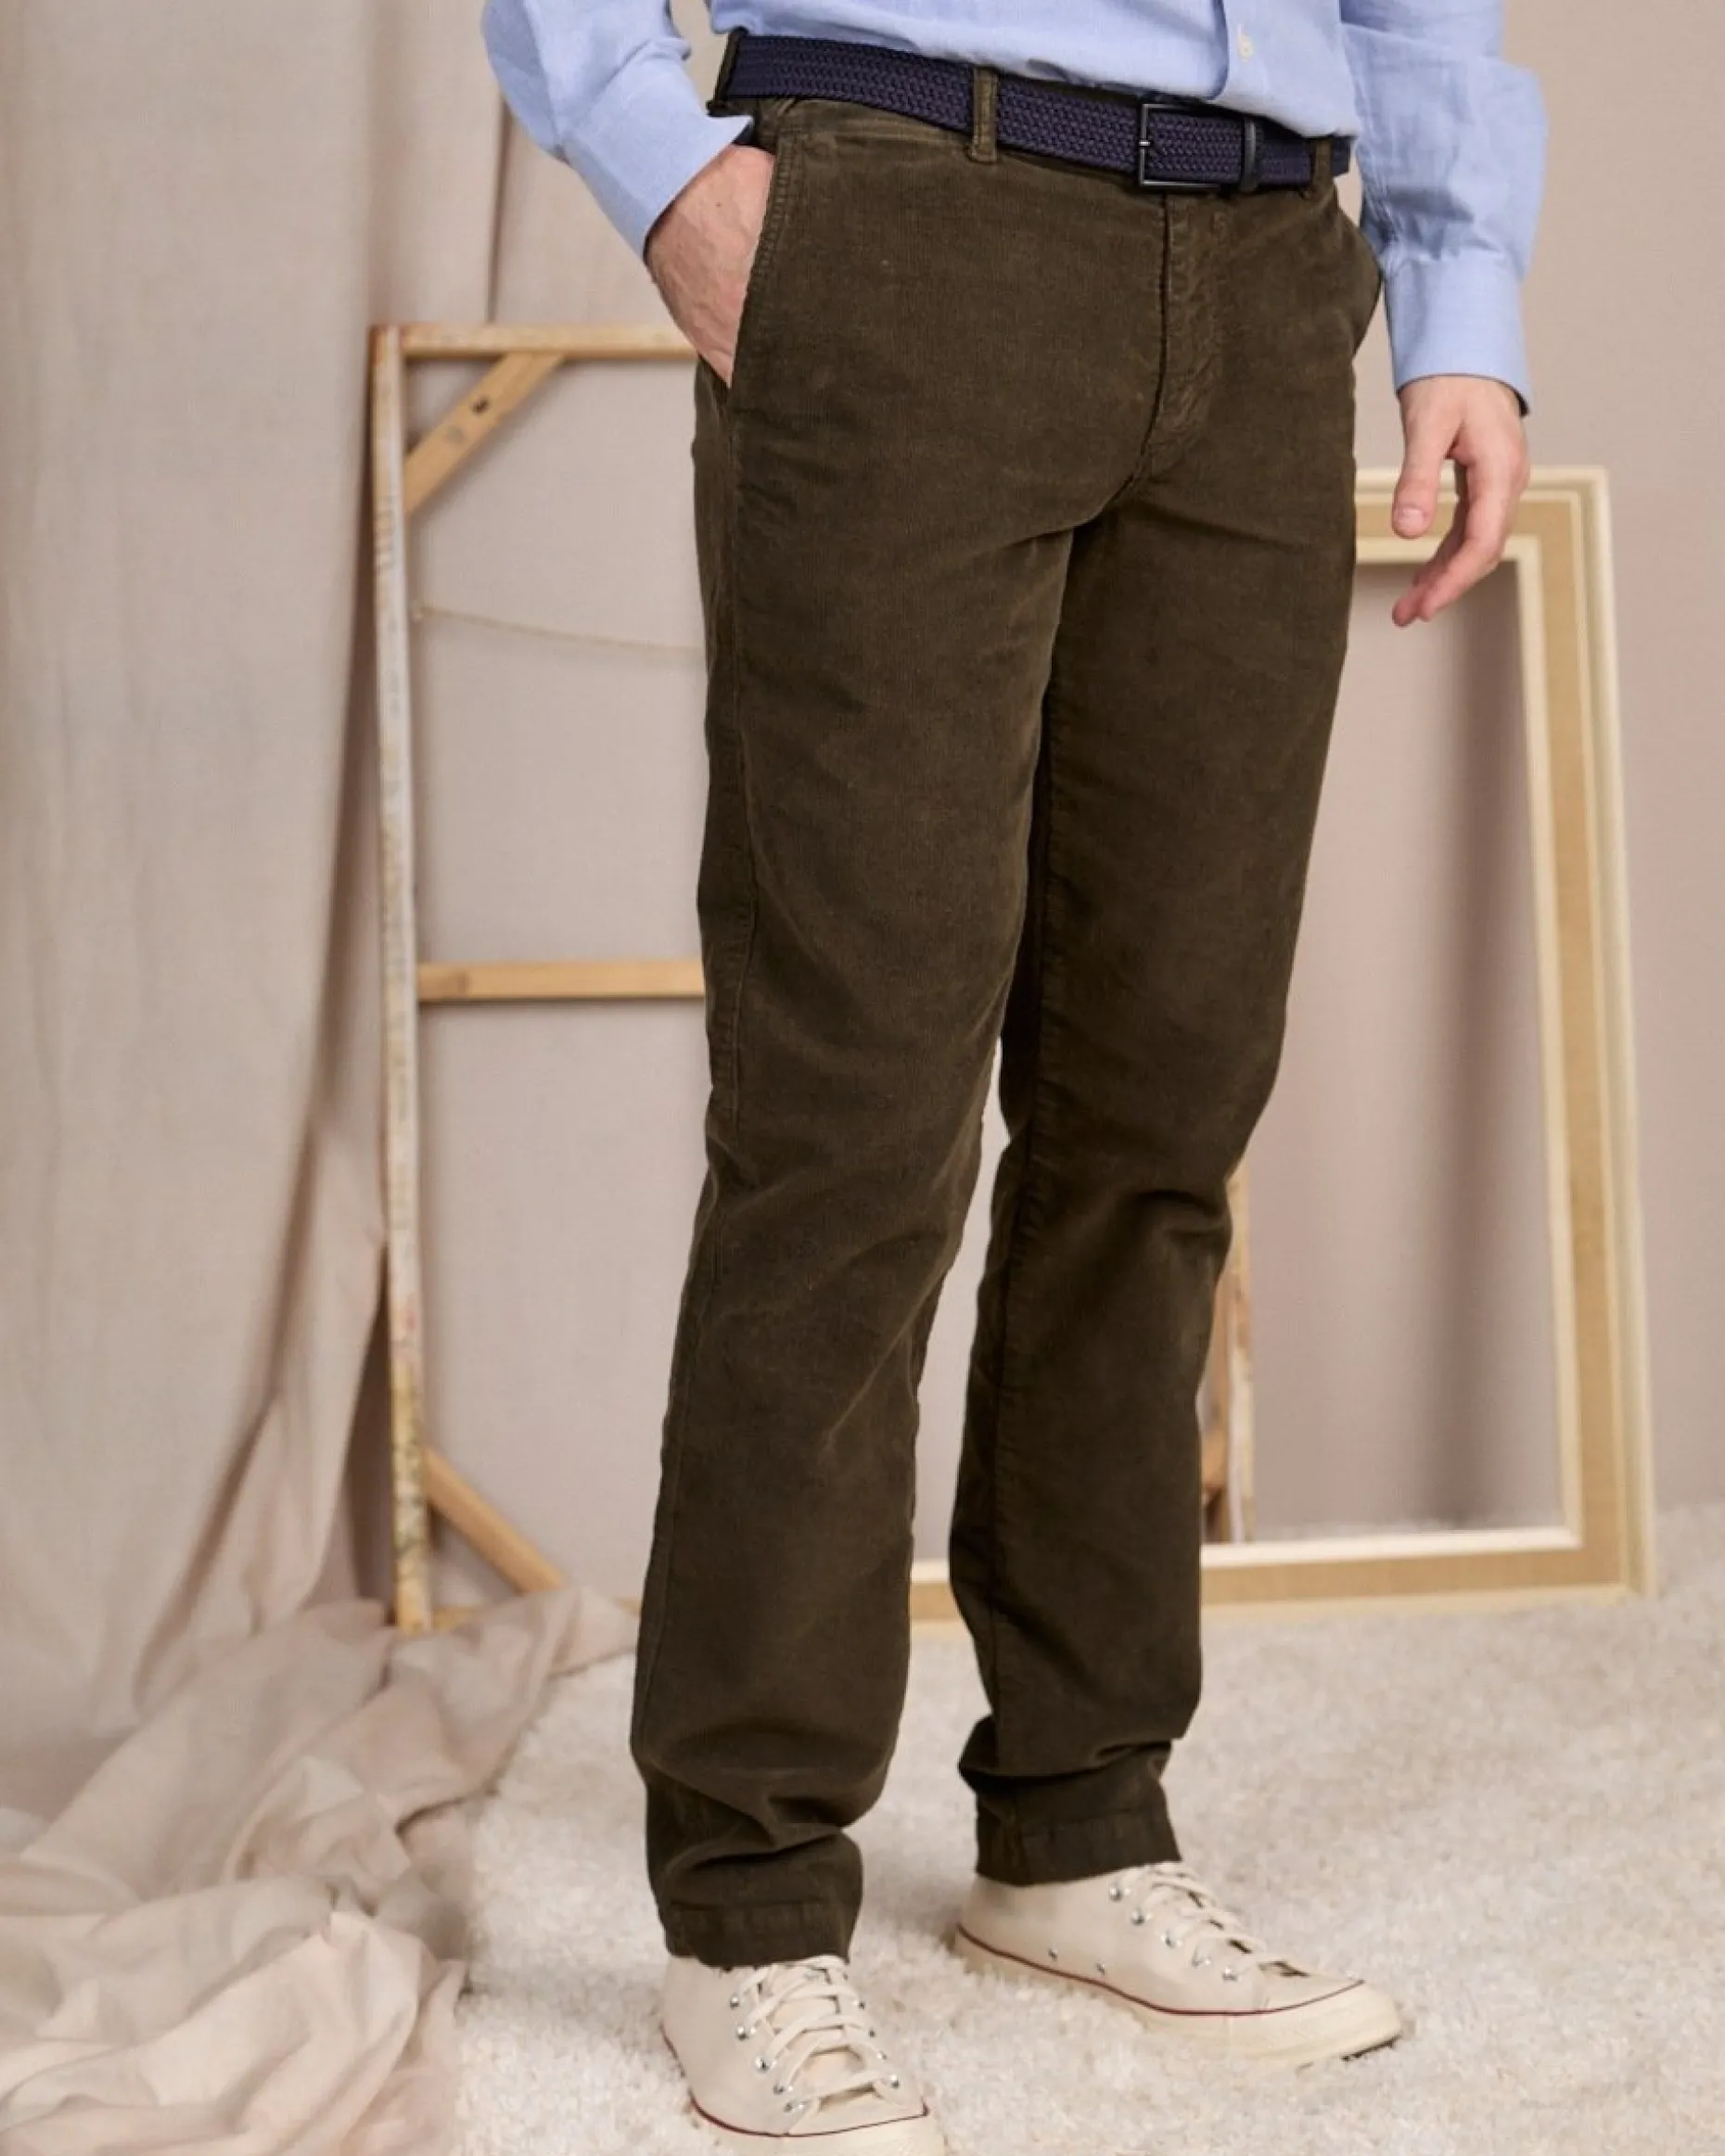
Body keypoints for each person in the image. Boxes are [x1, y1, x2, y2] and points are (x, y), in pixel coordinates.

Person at [481, 4, 1545, 2148]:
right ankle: (751, 1903)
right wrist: (656, 168)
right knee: (853, 1117)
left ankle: (1077, 1818)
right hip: (909, 210)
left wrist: (1461, 296)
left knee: (1158, 1114)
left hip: (1267, 268)